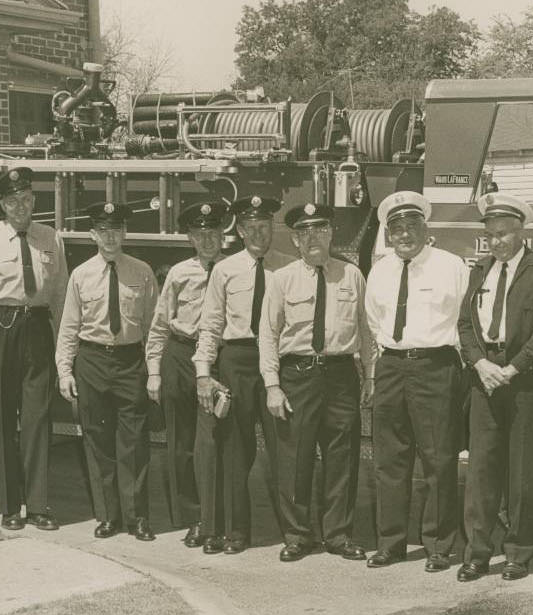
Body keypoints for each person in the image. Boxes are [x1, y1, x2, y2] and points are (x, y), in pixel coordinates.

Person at [456, 192, 533, 582]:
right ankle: (478, 553)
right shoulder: (480, 270)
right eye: (491, 235)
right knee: (482, 471)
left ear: (521, 232)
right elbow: (466, 324)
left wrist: (514, 367)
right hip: (485, 378)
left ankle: (519, 553)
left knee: (522, 473)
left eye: (504, 233)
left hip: (526, 383)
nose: (497, 241)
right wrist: (480, 362)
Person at [260, 203, 373, 562]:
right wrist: (272, 385)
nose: (313, 238)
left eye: (320, 231)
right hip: (298, 376)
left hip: (341, 374)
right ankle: (298, 535)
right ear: (295, 240)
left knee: (342, 456)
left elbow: (366, 331)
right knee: (295, 457)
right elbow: (268, 333)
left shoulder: (351, 275)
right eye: (305, 233)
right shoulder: (282, 279)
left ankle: (338, 535)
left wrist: (370, 375)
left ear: (331, 234)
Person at [364, 191, 469, 572]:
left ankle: (438, 545)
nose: (404, 234)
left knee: (438, 459)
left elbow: (463, 318)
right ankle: (390, 543)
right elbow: (375, 320)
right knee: (389, 460)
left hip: (435, 367)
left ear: (426, 229)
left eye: (411, 226)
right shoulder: (380, 270)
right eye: (396, 229)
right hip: (392, 366)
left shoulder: (450, 265)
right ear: (388, 234)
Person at [0, 166, 68, 531]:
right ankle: (9, 506)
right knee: (3, 419)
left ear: (34, 200)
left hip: (37, 328)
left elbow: (61, 297)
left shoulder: (51, 238)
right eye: (12, 201)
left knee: (38, 418)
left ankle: (37, 505)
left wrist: (65, 346)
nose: (20, 206)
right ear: (2, 206)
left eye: (25, 199)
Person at [56, 201, 159, 540]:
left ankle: (137, 517)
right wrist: (65, 371)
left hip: (130, 361)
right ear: (93, 235)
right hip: (92, 361)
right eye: (104, 231)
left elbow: (153, 327)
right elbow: (69, 327)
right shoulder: (81, 275)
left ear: (125, 233)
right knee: (98, 442)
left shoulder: (142, 272)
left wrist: (153, 369)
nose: (111, 237)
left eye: (116, 230)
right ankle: (107, 516)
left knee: (134, 443)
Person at [194, 194, 290, 554]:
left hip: (278, 364)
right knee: (234, 451)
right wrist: (204, 373)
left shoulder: (289, 267)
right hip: (237, 360)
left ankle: (294, 532)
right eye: (250, 227)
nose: (258, 234)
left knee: (285, 448)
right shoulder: (225, 270)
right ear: (240, 230)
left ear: (272, 227)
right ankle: (236, 532)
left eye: (263, 226)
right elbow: (211, 325)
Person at [146, 199, 230, 547]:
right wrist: (154, 370)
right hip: (180, 355)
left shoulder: (235, 270)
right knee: (180, 444)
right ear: (190, 238)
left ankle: (216, 519)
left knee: (212, 443)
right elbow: (161, 324)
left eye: (213, 232)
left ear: (223, 235)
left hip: (217, 360)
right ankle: (194, 518)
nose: (207, 240)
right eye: (200, 234)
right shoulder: (180, 273)